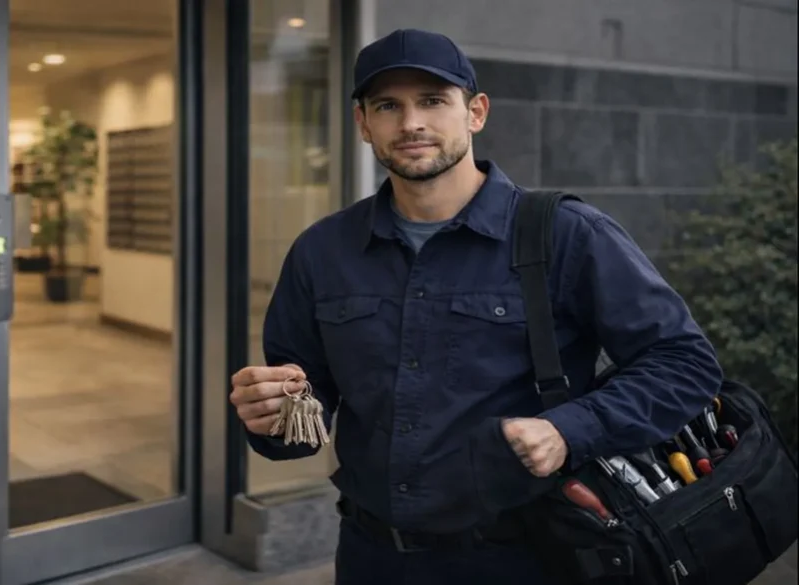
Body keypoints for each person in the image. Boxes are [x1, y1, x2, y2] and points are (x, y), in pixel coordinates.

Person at [229, 28, 723, 585]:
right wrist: (271, 414)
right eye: (388, 105)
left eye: (433, 100)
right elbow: (302, 414)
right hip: (372, 558)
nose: (411, 123)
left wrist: (570, 429)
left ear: (476, 112)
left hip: (530, 556)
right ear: (363, 124)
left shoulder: (564, 235)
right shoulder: (322, 252)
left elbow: (686, 365)